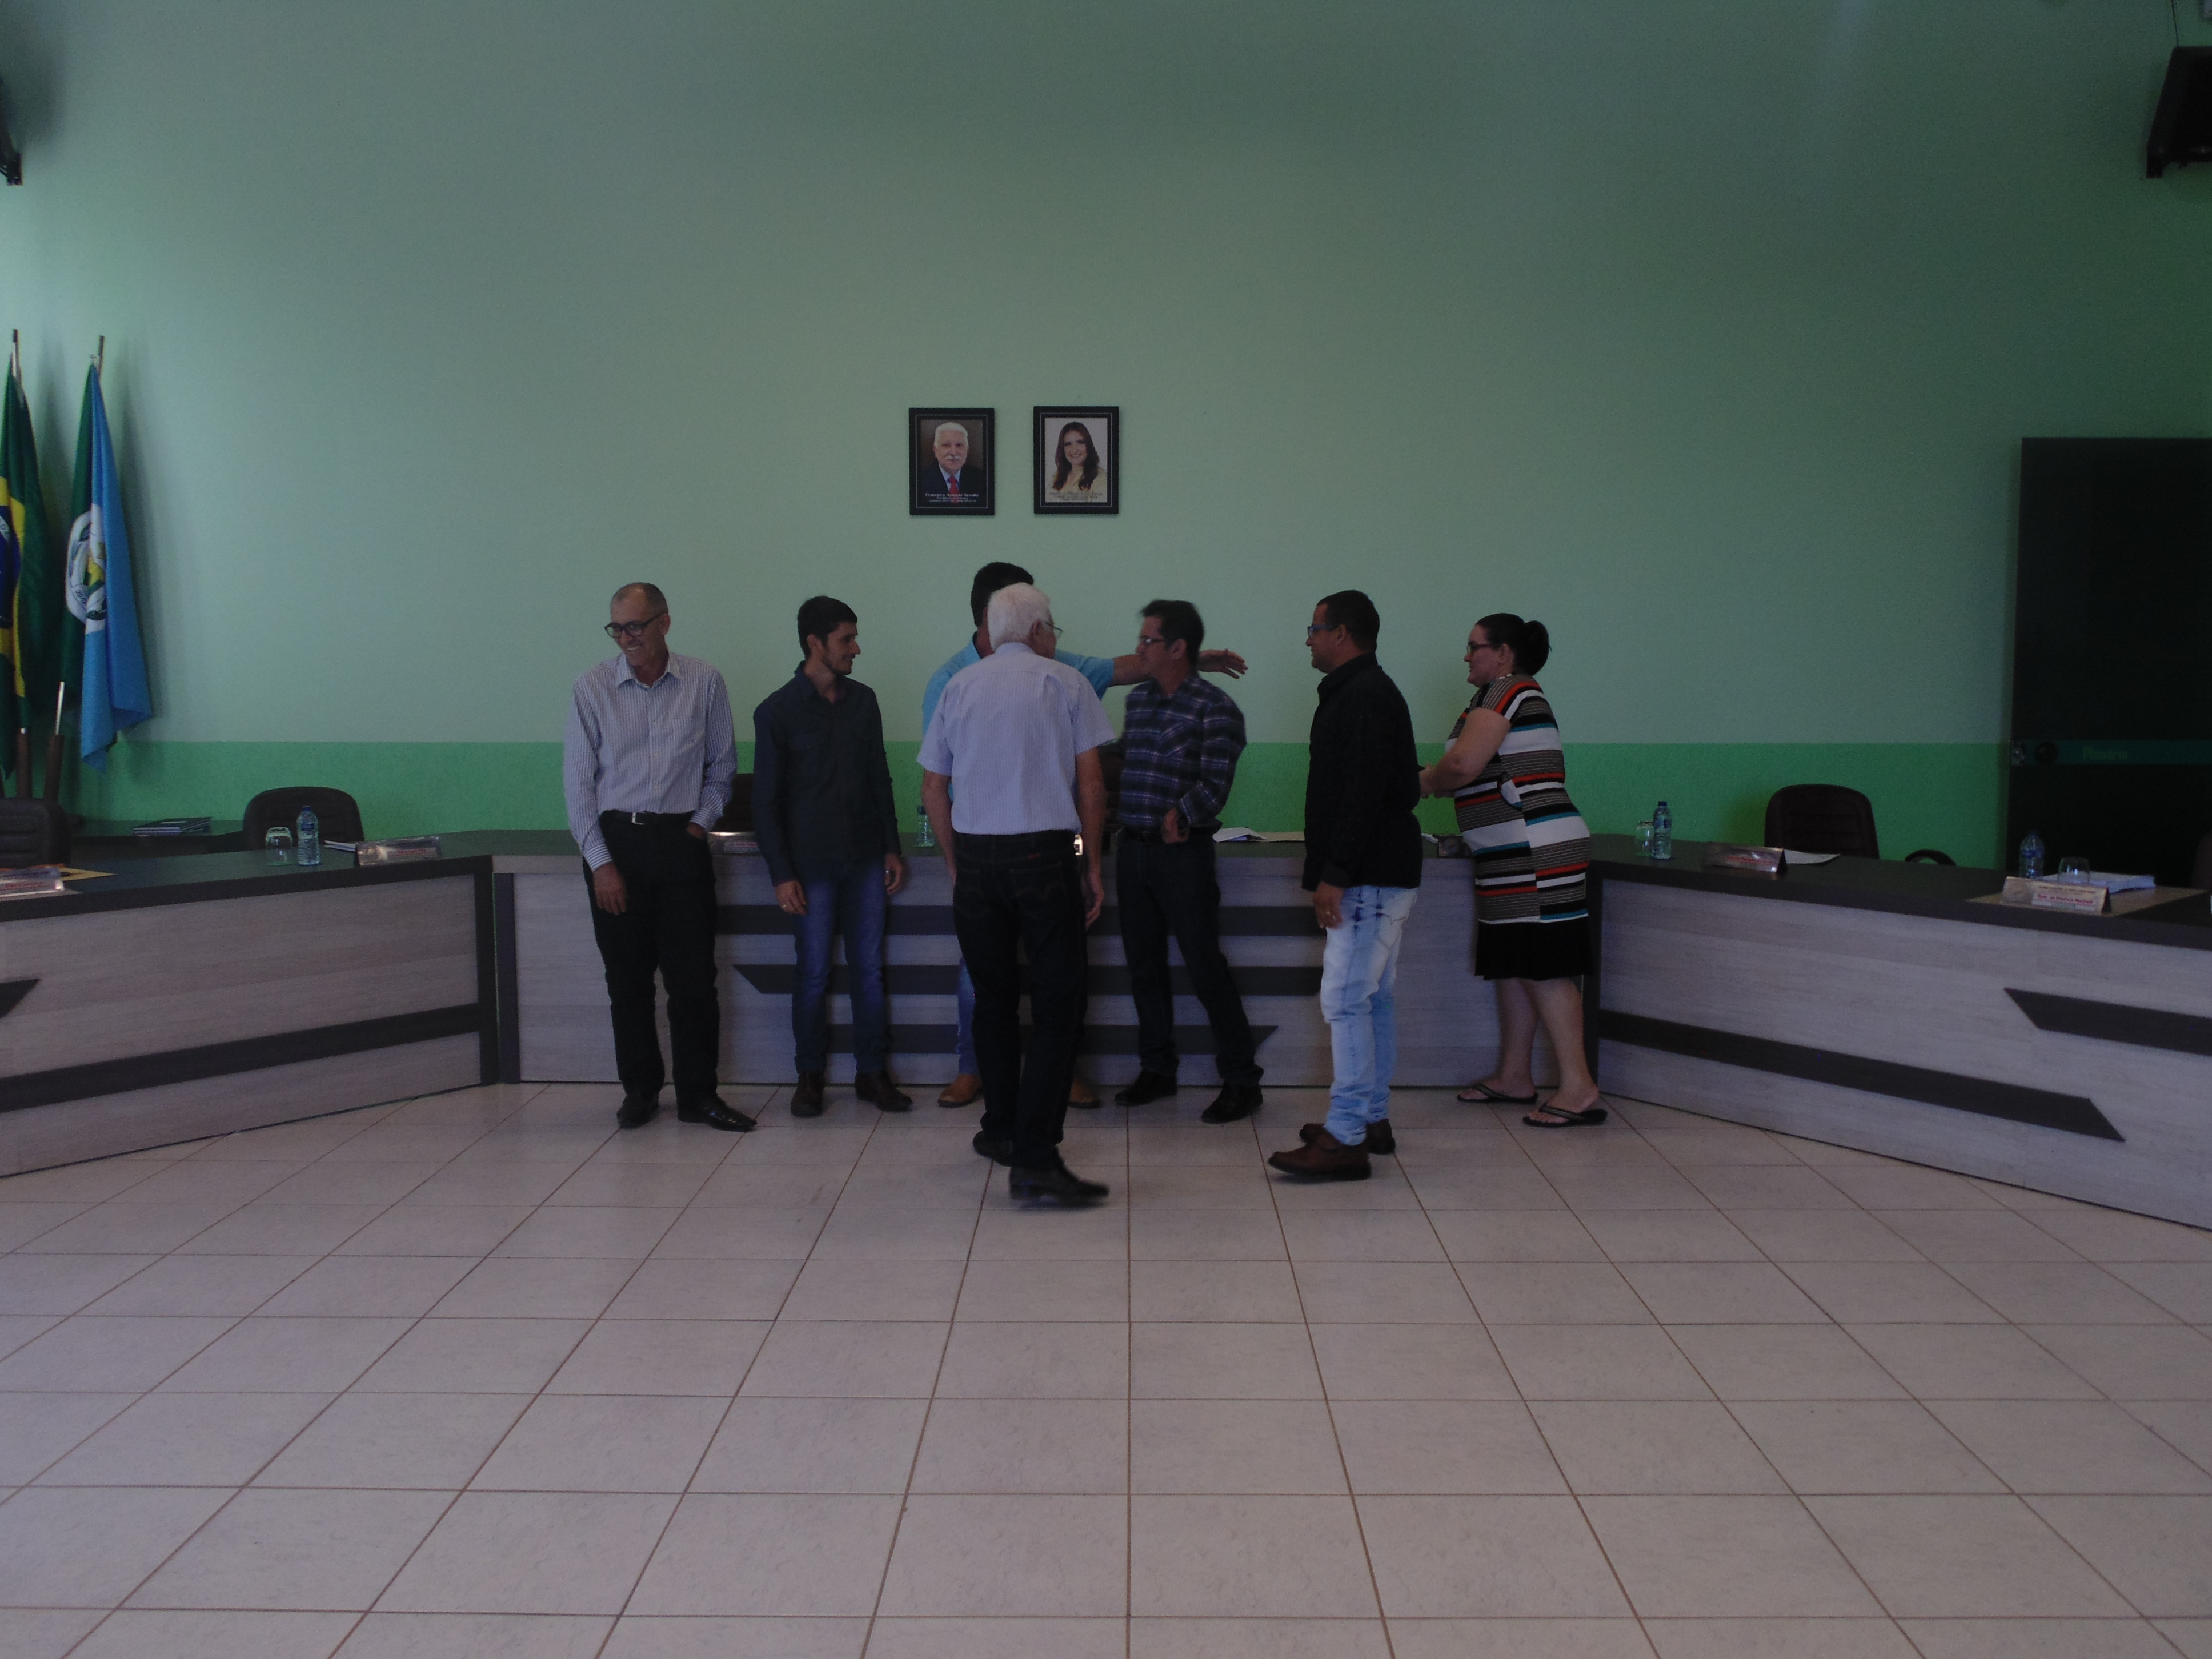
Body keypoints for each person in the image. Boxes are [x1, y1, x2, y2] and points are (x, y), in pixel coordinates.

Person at [921, 561, 1248, 1108]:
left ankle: (1042, 1094)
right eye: (1050, 623)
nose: (1140, 650)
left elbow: (1120, 690)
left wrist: (1192, 663)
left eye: (1151, 641)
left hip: (1096, 851)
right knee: (1020, 979)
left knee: (1170, 968)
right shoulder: (952, 680)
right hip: (1012, 849)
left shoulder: (1068, 674)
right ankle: (982, 1071)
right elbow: (943, 783)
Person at [920, 583, 1115, 1204]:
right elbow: (1092, 787)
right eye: (1052, 626)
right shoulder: (1065, 683)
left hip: (977, 862)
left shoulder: (958, 686)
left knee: (993, 1002)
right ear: (1035, 631)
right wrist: (1092, 865)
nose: (1054, 636)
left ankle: (1001, 1128)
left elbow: (933, 788)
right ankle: (1035, 1156)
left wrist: (956, 863)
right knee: (1058, 1007)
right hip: (1044, 859)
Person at [563, 582, 754, 1133]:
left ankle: (699, 1096)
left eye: (636, 626)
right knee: (627, 981)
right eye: (617, 629)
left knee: (693, 981)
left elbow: (722, 767)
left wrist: (698, 826)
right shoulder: (592, 687)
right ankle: (641, 1091)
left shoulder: (704, 682)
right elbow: (579, 787)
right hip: (617, 845)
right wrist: (600, 863)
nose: (627, 638)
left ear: (665, 623)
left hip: (680, 843)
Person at [1419, 614, 1604, 1127]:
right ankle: (1515, 1075)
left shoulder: (1507, 690)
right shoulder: (1496, 695)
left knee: (1544, 967)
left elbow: (1463, 765)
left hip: (1535, 851)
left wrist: (1425, 782)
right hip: (1509, 853)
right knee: (1514, 964)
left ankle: (1579, 1087)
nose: (1466, 656)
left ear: (1503, 653)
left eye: (1474, 646)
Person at [1268, 590, 1422, 1181]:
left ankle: (1345, 1137)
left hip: (1366, 877)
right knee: (1372, 997)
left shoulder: (1363, 696)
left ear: (1340, 633)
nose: (1307, 640)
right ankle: (1370, 1118)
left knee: (1344, 999)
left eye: (1313, 629)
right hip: (1382, 873)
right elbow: (1396, 787)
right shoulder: (1365, 691)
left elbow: (1363, 793)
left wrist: (1335, 874)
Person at [752, 595, 911, 1118]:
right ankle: (809, 1076)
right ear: (814, 643)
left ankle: (873, 1073)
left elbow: (879, 778)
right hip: (810, 865)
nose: (856, 648)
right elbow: (766, 803)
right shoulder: (776, 712)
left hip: (865, 858)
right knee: (814, 973)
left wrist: (892, 846)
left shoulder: (864, 701)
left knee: (870, 970)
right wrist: (781, 875)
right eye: (847, 639)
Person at [1111, 600, 1264, 1123]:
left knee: (1204, 967)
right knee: (1144, 968)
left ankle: (1242, 1079)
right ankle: (1157, 1069)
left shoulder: (1216, 708)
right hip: (1132, 850)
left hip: (1182, 857)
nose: (1139, 649)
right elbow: (1126, 761)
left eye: (1148, 640)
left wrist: (1183, 813)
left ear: (1178, 648)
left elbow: (1216, 782)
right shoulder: (1138, 701)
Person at [919, 420, 985, 506]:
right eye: (947, 445)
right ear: (936, 450)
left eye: (959, 445)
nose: (953, 453)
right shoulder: (920, 482)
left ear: (967, 450)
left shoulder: (982, 479)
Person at [1044, 420, 1109, 504]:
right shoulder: (1057, 477)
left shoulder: (1101, 479)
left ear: (1088, 445)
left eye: (1080, 442)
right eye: (1068, 444)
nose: (1074, 450)